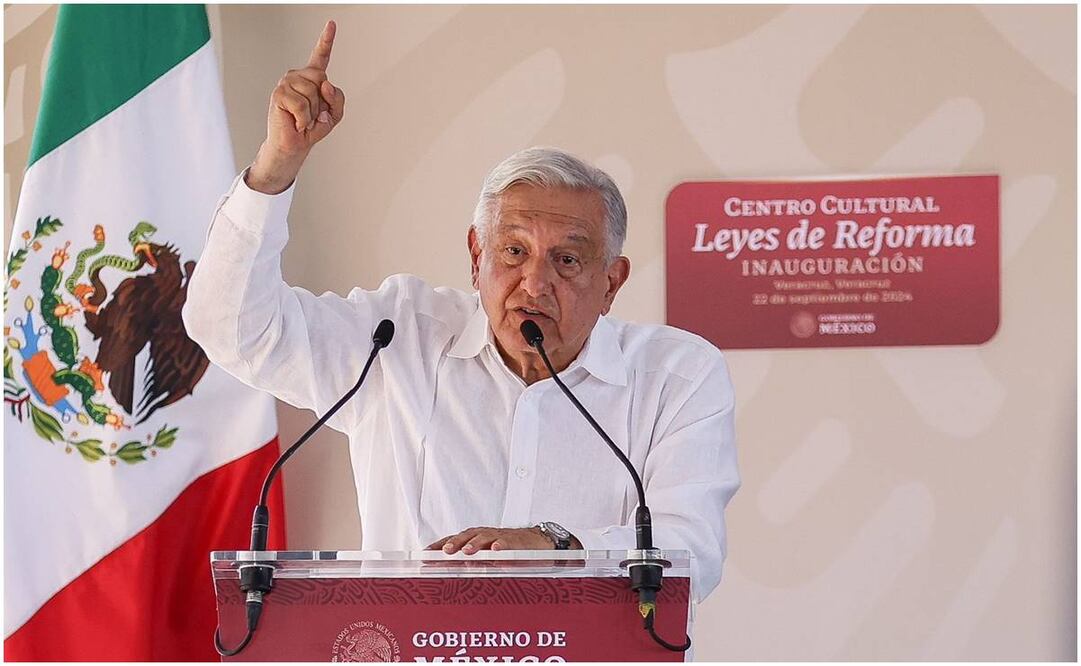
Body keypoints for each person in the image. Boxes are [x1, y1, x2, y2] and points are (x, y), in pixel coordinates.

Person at [182, 20, 740, 600]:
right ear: (477, 257)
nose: (535, 283)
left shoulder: (675, 377)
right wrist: (275, 166)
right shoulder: (394, 338)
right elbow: (230, 327)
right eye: (514, 252)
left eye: (568, 260)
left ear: (612, 283)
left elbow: (691, 552)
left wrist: (557, 544)